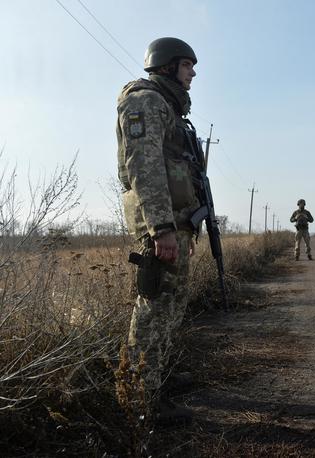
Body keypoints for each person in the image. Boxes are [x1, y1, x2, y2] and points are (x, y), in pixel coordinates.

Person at [116, 37, 201, 420]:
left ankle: (155, 375)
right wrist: (162, 229)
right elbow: (144, 166)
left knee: (171, 305)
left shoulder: (168, 106)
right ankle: (137, 398)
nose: (193, 74)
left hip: (175, 223)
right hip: (161, 226)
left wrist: (186, 226)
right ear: (166, 66)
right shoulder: (145, 100)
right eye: (187, 66)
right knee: (154, 308)